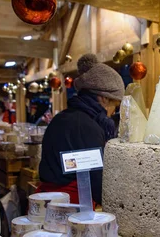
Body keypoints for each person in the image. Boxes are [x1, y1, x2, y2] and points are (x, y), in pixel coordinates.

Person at [38, 54, 124, 205]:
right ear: (104, 98)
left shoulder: (63, 117)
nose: (112, 112)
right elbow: (96, 181)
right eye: (114, 105)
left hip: (49, 200)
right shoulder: (87, 127)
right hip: (70, 206)